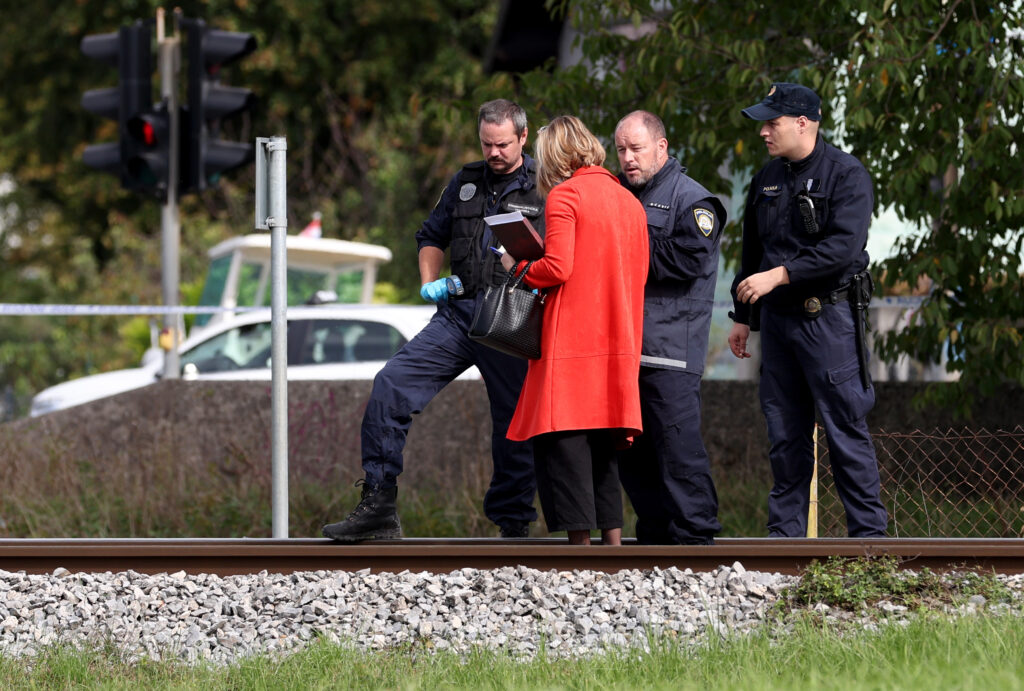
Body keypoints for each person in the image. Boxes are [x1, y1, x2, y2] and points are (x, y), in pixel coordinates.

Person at [322, 99, 544, 542]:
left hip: (512, 315)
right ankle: (379, 506)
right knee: (391, 383)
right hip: (459, 313)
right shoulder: (464, 181)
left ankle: (514, 525)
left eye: (502, 144)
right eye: (486, 144)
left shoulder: (546, 184)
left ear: (522, 137)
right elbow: (431, 236)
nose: (494, 152)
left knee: (515, 422)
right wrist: (429, 282)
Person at [728, 82, 888, 538]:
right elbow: (752, 251)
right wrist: (744, 318)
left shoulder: (847, 174)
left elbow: (842, 249)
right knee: (784, 433)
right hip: (778, 324)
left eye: (771, 122)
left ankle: (869, 541)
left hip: (828, 321)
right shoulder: (767, 178)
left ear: (803, 123)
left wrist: (779, 276)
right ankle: (785, 541)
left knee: (844, 429)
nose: (763, 132)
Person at [502, 115, 649, 546]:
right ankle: (613, 545)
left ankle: (580, 552)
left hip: (570, 343)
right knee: (604, 447)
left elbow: (558, 267)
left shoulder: (565, 196)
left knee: (563, 445)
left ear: (556, 156)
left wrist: (519, 266)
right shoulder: (628, 201)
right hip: (617, 340)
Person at [612, 110, 725, 545]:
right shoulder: (619, 194)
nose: (627, 158)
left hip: (670, 351)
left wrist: (623, 247)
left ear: (661, 147)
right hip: (624, 350)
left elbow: (687, 260)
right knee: (632, 457)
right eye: (621, 150)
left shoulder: (694, 200)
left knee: (678, 451)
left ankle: (697, 538)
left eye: (636, 148)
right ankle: (657, 541)